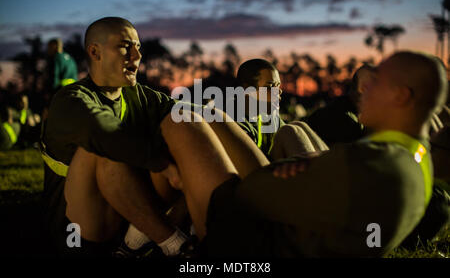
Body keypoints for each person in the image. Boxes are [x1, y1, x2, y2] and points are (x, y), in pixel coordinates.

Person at [161, 50, 448, 257]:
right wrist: (309, 165)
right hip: (287, 226)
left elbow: (253, 192)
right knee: (280, 127)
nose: (362, 91)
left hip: (242, 242)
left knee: (183, 120)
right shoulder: (412, 158)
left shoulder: (364, 163)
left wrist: (300, 167)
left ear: (400, 96)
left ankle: (155, 239)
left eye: (375, 84)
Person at [42, 17, 189, 257]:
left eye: (138, 47)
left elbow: (185, 112)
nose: (137, 55)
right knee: (103, 148)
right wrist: (163, 164)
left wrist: (219, 120)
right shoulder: (69, 100)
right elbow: (103, 133)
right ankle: (175, 244)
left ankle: (133, 244)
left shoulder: (139, 95)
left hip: (123, 216)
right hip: (75, 231)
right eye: (125, 46)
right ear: (95, 52)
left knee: (180, 130)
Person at [229, 58, 284, 158]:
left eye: (278, 86)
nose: (278, 92)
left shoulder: (272, 118)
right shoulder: (232, 122)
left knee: (297, 128)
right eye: (270, 86)